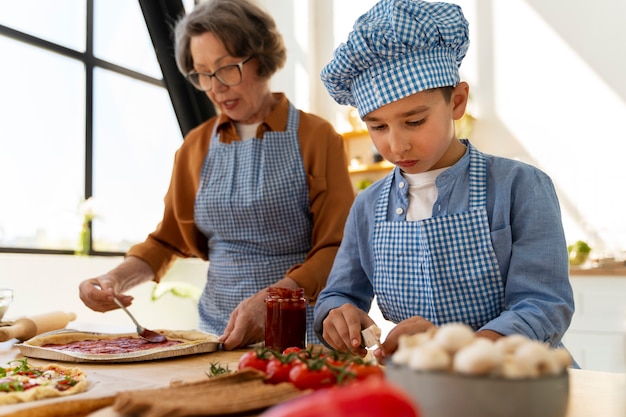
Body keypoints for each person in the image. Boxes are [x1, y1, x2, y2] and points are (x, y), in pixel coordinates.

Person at [79, 0, 354, 350]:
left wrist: (274, 299)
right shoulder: (194, 147)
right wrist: (113, 279)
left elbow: (336, 247)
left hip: (298, 332)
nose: (215, 87)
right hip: (215, 333)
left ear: (262, 60)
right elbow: (166, 241)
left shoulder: (317, 138)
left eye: (227, 68)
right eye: (203, 73)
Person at [313, 0, 575, 362]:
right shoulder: (369, 205)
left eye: (415, 121)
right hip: (420, 385)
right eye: (377, 126)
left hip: (518, 381)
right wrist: (336, 313)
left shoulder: (520, 187)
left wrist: (457, 349)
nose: (396, 144)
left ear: (457, 101)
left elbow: (543, 304)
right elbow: (338, 293)